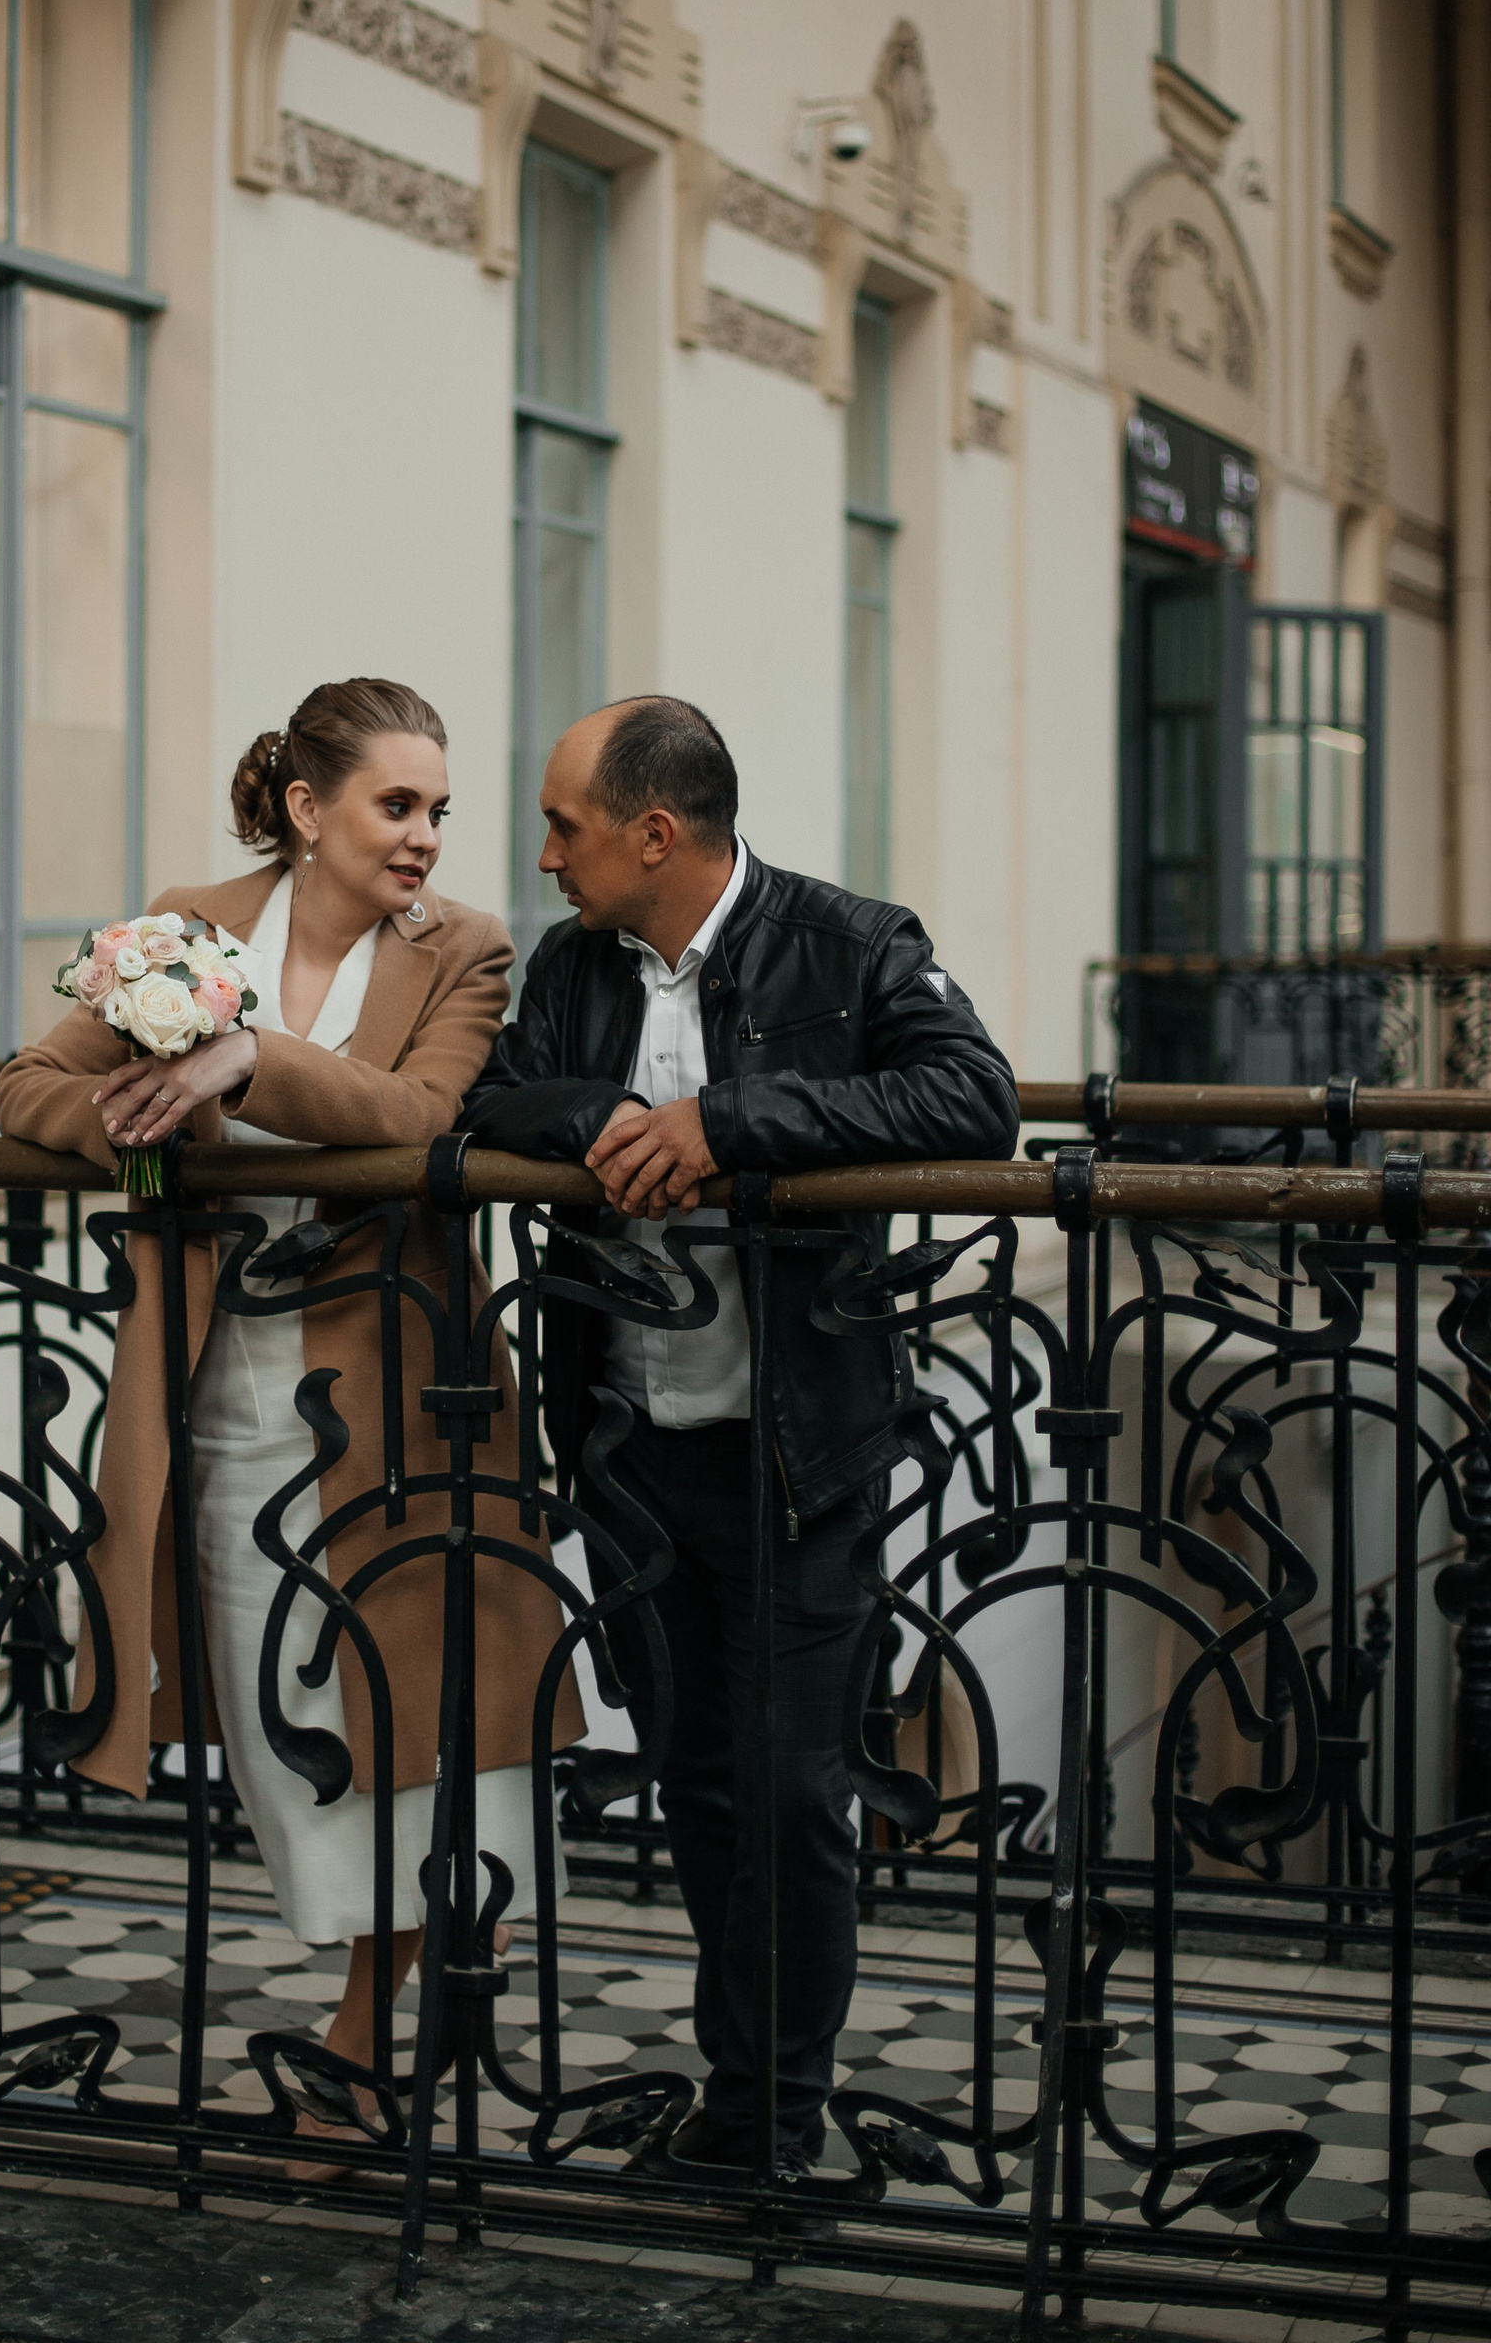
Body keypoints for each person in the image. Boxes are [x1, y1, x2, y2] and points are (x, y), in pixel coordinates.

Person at [0, 677, 581, 2169]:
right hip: (215, 1382)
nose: (425, 835)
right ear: (310, 810)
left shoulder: (466, 951)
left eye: (438, 809)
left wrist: (248, 1059)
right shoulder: (183, 928)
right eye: (397, 804)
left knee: (415, 1715)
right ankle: (418, 1957)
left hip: (404, 1386)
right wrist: (135, 1117)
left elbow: (422, 1114)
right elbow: (26, 1086)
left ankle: (366, 2032)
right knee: (284, 1717)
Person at [456, 694, 1019, 2185]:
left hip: (799, 1457)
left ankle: (771, 2120)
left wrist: (727, 1125)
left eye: (565, 825)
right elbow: (490, 1096)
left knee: (790, 1796)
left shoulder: (854, 944)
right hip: (631, 1453)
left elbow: (976, 1099)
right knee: (702, 1784)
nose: (546, 854)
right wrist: (601, 1120)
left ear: (655, 833)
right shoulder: (574, 967)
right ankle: (741, 2094)